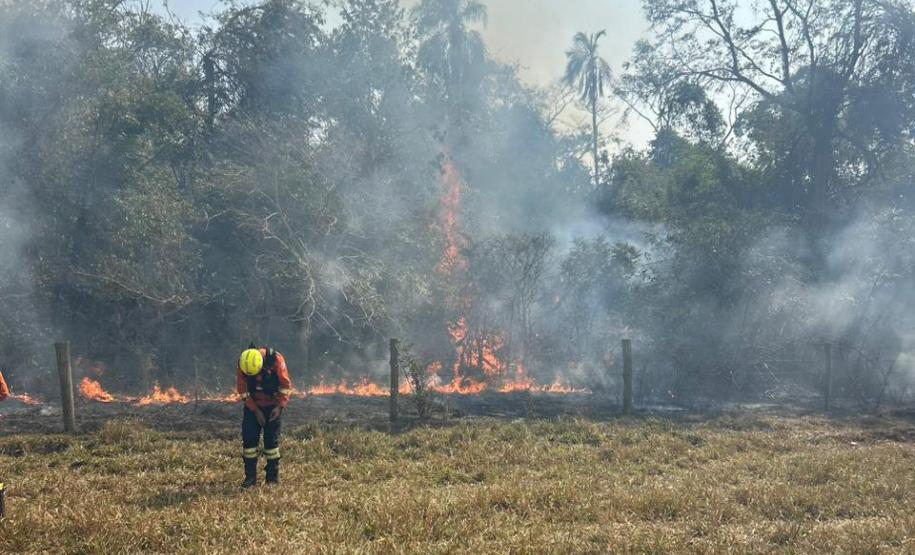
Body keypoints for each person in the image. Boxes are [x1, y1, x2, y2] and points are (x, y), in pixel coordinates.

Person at [237, 343, 292, 488]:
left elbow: (286, 386)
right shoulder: (244, 365)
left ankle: (272, 479)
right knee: (249, 440)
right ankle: (250, 478)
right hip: (253, 406)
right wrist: (255, 410)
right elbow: (243, 391)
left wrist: (279, 407)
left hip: (273, 406)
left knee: (271, 443)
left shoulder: (276, 360)